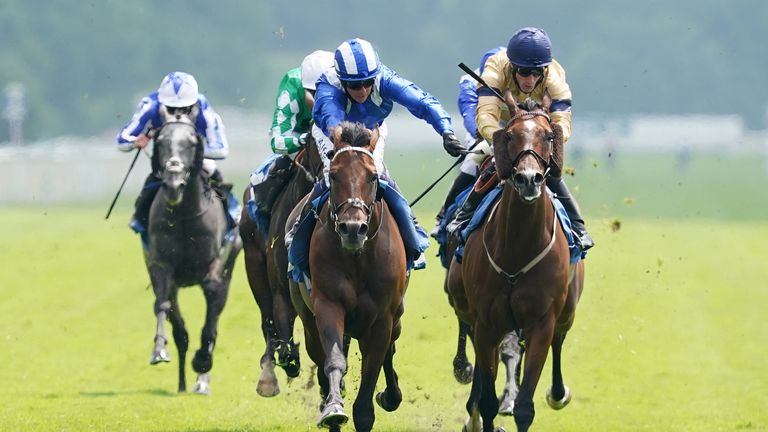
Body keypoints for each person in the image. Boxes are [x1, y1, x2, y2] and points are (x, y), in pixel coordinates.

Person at [447, 28, 594, 251]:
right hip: (503, 125)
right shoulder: (496, 68)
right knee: (477, 160)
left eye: (537, 73)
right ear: (513, 66)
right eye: (525, 72)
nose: (531, 79)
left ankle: (578, 227)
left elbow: (562, 120)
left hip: (538, 128)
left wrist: (551, 140)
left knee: (546, 170)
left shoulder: (554, 76)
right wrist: (500, 141)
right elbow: (486, 115)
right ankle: (459, 215)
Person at [312, 38, 465, 188]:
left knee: (376, 175)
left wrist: (446, 132)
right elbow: (331, 118)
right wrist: (338, 137)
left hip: (371, 130)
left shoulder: (384, 79)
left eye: (368, 82)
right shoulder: (330, 85)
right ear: (342, 81)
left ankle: (407, 214)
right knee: (332, 177)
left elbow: (423, 102)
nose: (363, 90)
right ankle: (307, 213)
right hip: (332, 134)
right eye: (355, 85)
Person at [117, 71, 233, 235]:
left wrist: (188, 153)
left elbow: (221, 149)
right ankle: (141, 219)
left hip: (195, 160)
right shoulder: (150, 105)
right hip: (164, 161)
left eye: (185, 109)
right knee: (151, 185)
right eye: (171, 109)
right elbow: (122, 139)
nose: (178, 113)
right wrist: (135, 141)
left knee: (215, 175)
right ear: (162, 102)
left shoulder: (203, 108)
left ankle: (231, 217)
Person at [248, 50, 335, 219]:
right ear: (305, 89)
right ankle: (266, 233)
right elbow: (277, 141)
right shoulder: (292, 86)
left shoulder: (346, 86)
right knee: (264, 183)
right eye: (315, 94)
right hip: (301, 141)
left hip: (334, 142)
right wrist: (306, 139)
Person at [431, 46, 505, 237]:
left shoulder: (512, 77)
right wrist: (484, 134)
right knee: (472, 164)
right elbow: (470, 113)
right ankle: (445, 216)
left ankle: (574, 223)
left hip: (513, 132)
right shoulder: (469, 81)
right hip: (480, 133)